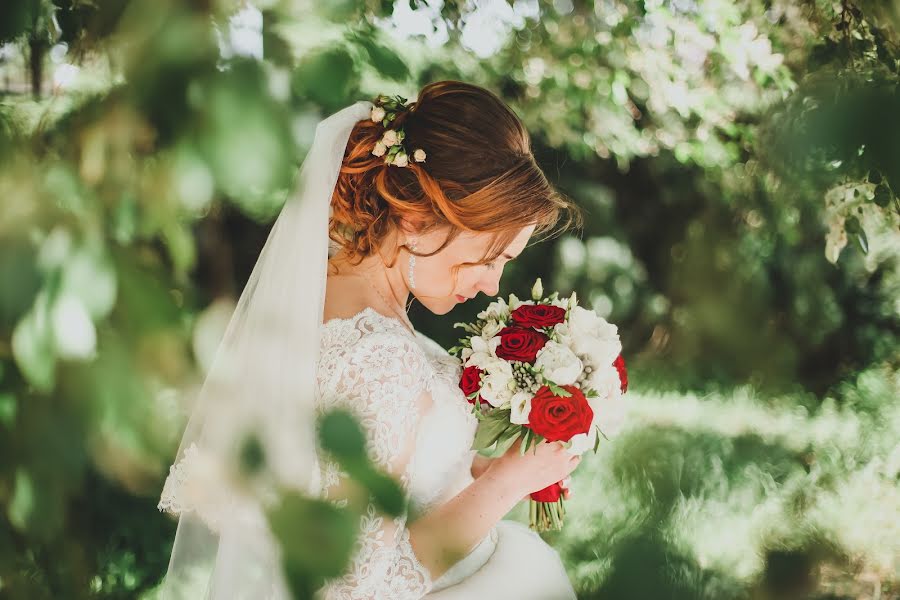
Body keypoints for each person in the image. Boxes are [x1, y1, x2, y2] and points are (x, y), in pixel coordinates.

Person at [157, 80, 582, 599]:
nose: (492, 284)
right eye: (489, 257)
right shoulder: (379, 356)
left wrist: (474, 470)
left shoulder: (325, 301)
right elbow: (354, 584)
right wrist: (505, 485)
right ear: (416, 220)